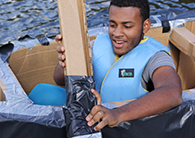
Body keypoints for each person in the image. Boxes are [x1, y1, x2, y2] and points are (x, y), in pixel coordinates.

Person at [54, 0, 182, 132]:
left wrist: (117, 114)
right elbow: (59, 79)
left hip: (123, 127)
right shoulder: (96, 44)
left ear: (145, 26)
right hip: (90, 114)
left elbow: (173, 92)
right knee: (40, 90)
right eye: (112, 24)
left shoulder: (156, 56)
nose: (117, 33)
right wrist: (66, 61)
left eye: (127, 26)